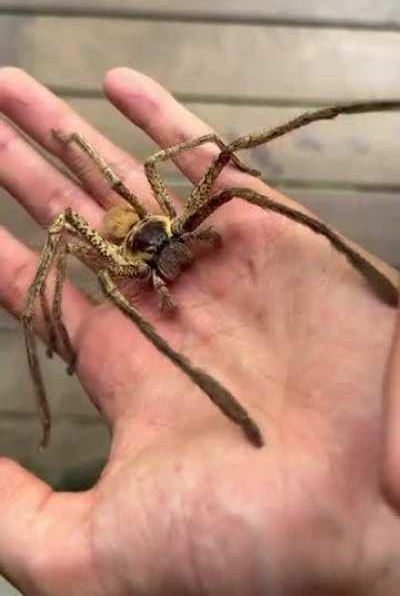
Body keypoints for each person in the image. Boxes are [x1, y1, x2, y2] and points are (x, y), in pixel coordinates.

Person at [0, 66, 399, 595]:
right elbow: (63, 242)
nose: (173, 261)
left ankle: (346, 248)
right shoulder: (120, 266)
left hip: (155, 221)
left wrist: (211, 146)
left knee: (237, 179)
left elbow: (173, 160)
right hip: (125, 246)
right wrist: (45, 310)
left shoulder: (177, 213)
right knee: (73, 246)